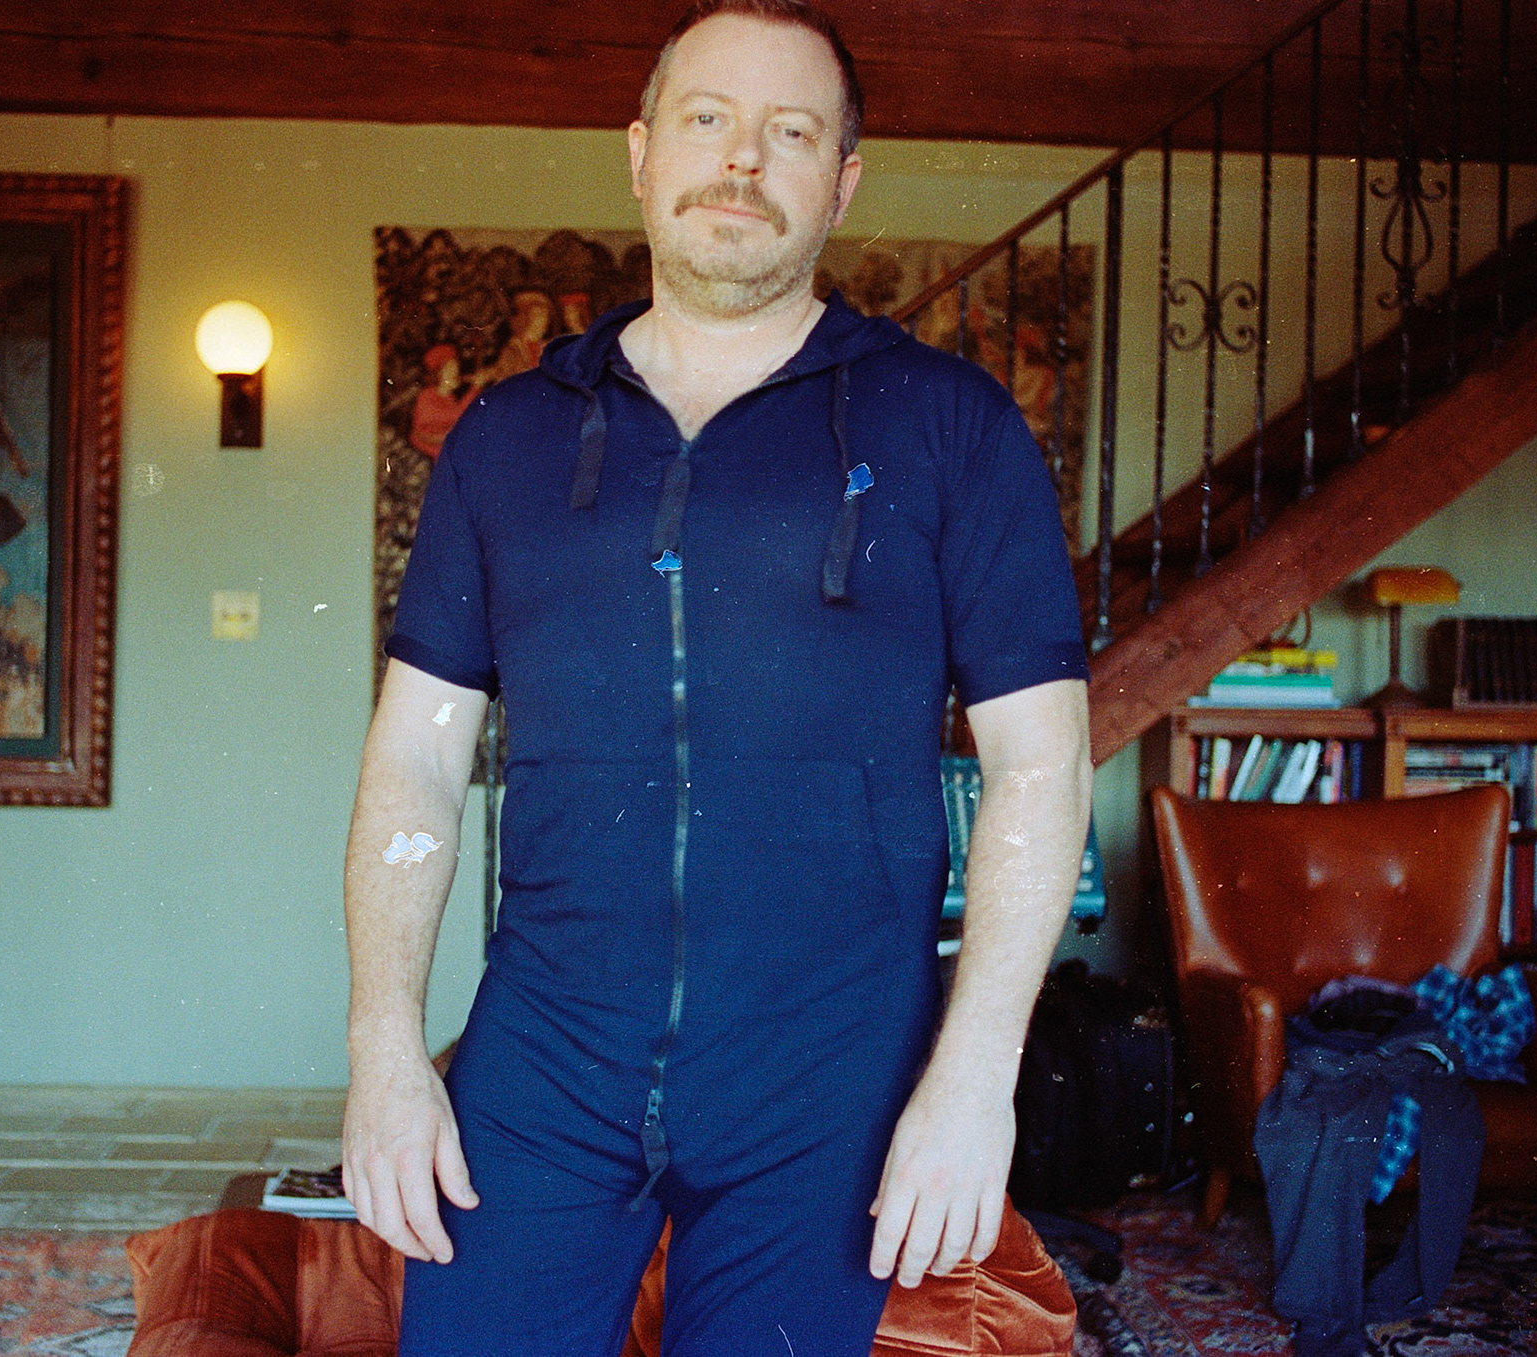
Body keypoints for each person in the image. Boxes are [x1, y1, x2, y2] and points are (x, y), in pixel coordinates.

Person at [341, 4, 1092, 1354]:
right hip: (546, 1051)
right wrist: (384, 1048)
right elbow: (415, 761)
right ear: (641, 153)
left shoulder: (950, 426)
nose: (742, 159)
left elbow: (1039, 765)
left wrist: (977, 1079)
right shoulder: (508, 438)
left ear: (842, 182)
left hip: (830, 1076)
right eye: (708, 120)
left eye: (790, 133)